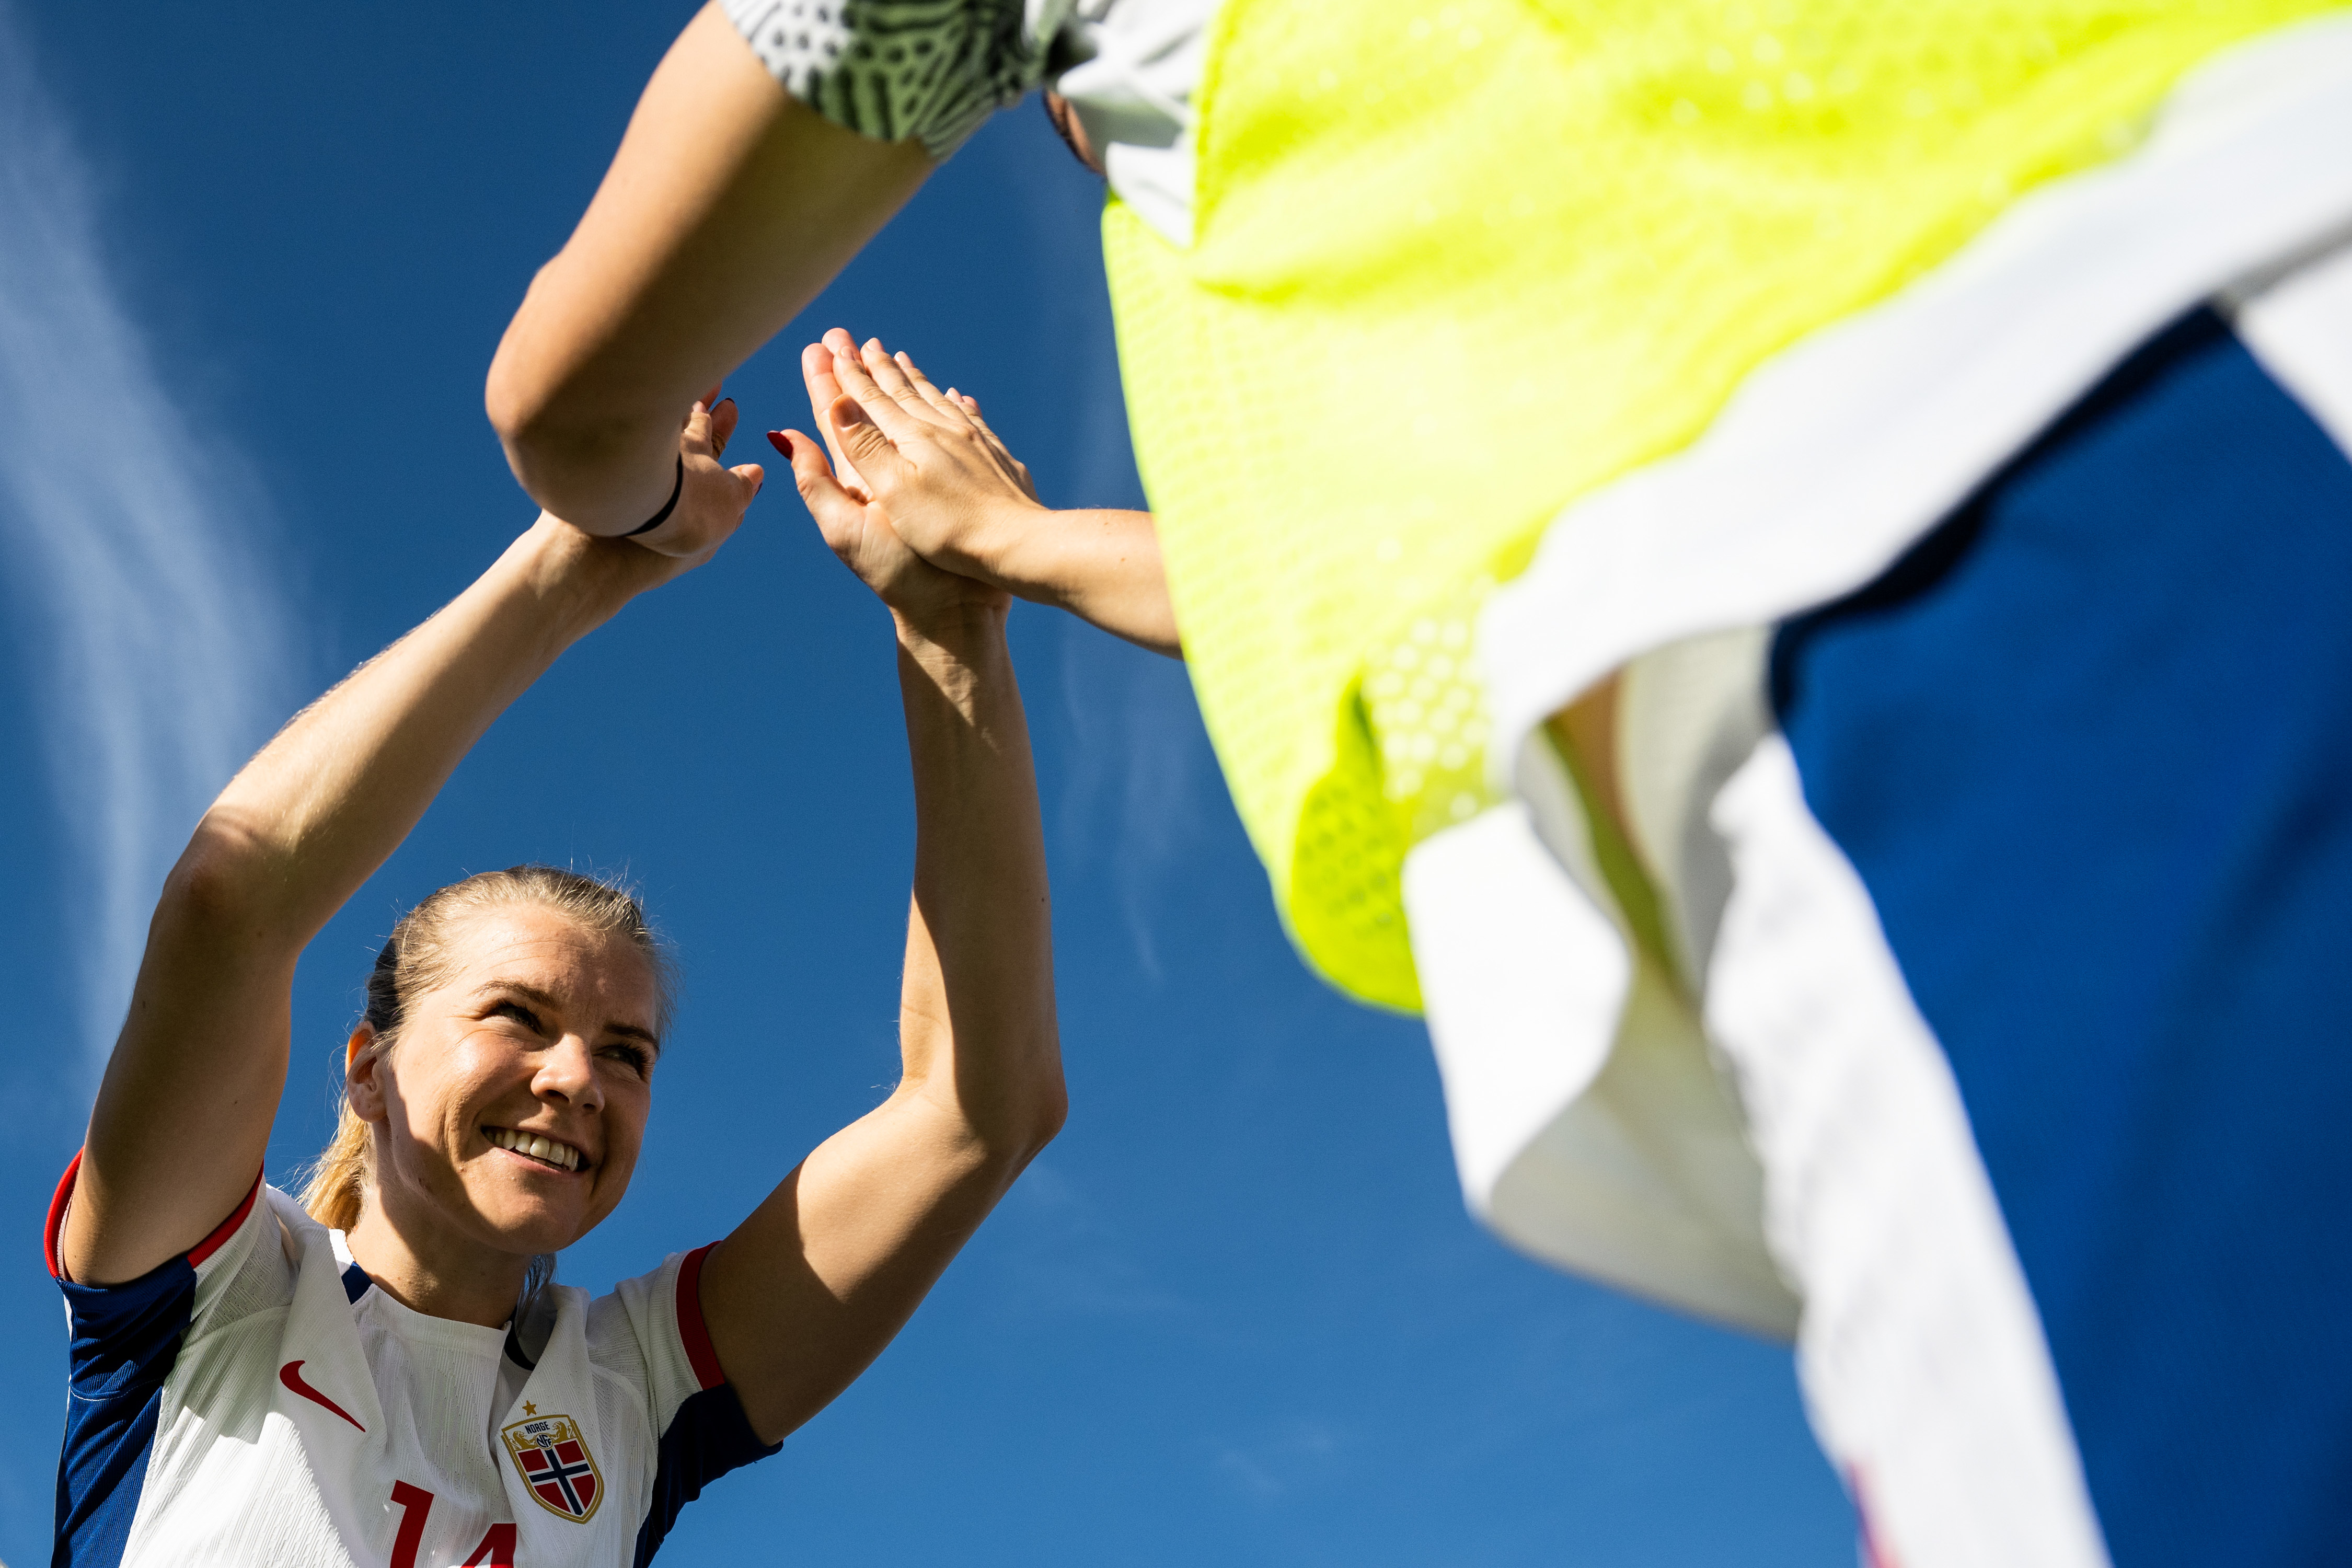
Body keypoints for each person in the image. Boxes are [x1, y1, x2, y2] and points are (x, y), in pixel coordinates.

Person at [485, 3, 2352, 1563]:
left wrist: (647, 517)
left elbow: (568, 396)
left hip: (2019, 549)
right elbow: (1368, 563)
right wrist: (1008, 552)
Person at [48, 394, 1065, 1565]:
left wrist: (951, 627)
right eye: (518, 1017)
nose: (579, 1078)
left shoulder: (632, 1393)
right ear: (369, 1072)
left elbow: (980, 1110)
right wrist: (574, 564)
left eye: (627, 1052)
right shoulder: (212, 1300)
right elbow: (232, 900)